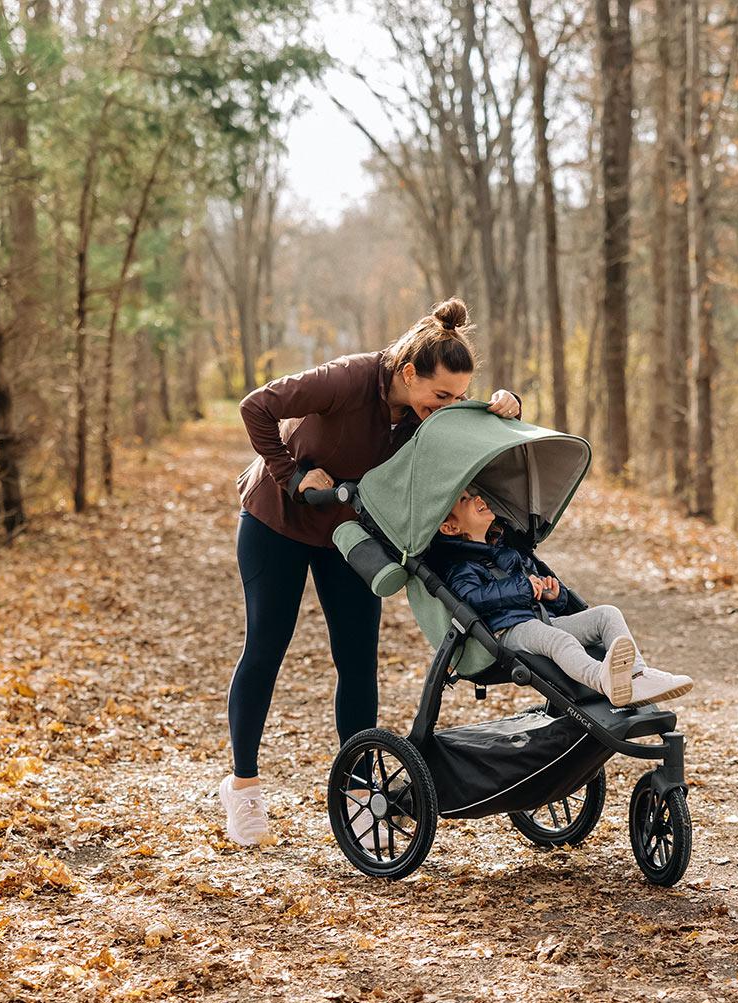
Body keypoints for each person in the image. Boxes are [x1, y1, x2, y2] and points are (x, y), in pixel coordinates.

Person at [220, 298, 522, 847]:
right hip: (278, 520)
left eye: (461, 397)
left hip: (349, 535)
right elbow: (256, 406)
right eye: (443, 396)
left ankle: (361, 795)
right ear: (408, 374)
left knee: (357, 658)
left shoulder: (429, 407)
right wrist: (291, 477)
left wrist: (505, 405)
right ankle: (243, 789)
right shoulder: (347, 379)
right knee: (266, 646)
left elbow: (470, 437)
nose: (450, 406)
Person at [433, 491, 694, 708]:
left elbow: (532, 590)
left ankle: (638, 675)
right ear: (450, 527)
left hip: (539, 620)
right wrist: (522, 587)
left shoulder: (506, 550)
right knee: (560, 640)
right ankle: (604, 681)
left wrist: (553, 596)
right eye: (465, 499)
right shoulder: (459, 566)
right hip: (507, 631)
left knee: (607, 614)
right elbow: (470, 599)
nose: (477, 497)